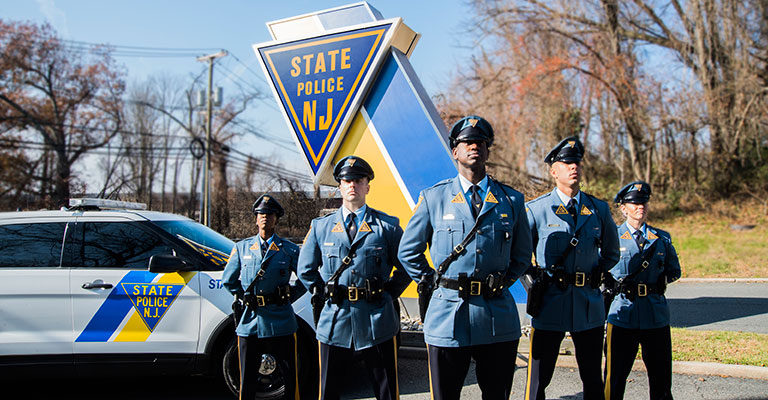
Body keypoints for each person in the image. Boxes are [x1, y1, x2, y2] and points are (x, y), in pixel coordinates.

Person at [398, 115, 533, 400]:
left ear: (487, 150)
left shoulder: (511, 200)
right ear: (455, 150)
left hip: (496, 316)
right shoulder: (434, 198)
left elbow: (521, 256)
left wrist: (501, 282)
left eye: (481, 142)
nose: (475, 147)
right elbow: (407, 251)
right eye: (467, 142)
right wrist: (433, 282)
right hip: (448, 315)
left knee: (497, 395)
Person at [297, 155, 411, 400]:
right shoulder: (321, 227)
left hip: (376, 319)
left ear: (367, 186)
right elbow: (305, 269)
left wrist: (388, 294)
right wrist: (323, 292)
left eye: (358, 180)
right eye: (347, 180)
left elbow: (406, 268)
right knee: (328, 390)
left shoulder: (387, 226)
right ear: (339, 185)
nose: (352, 185)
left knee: (386, 391)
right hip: (335, 319)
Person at [524, 136, 620, 400]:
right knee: (538, 378)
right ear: (554, 171)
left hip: (588, 304)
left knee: (591, 376)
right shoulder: (536, 210)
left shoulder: (598, 208)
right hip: (550, 304)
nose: (573, 167)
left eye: (576, 162)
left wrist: (594, 274)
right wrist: (533, 283)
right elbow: (521, 258)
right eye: (566, 163)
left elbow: (612, 252)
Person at [222, 194, 306, 400]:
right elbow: (228, 280)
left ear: (277, 219)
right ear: (255, 219)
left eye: (270, 214)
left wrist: (286, 296)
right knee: (247, 379)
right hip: (250, 320)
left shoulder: (289, 249)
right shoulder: (242, 248)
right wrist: (245, 297)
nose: (265, 218)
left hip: (281, 319)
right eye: (261, 214)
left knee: (290, 377)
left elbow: (305, 279)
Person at [603, 181, 681, 400]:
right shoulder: (611, 237)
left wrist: (654, 285)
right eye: (634, 203)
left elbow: (674, 271)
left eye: (643, 202)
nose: (640, 207)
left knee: (661, 379)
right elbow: (602, 272)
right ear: (623, 208)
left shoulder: (661, 238)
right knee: (614, 378)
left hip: (655, 315)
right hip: (622, 315)